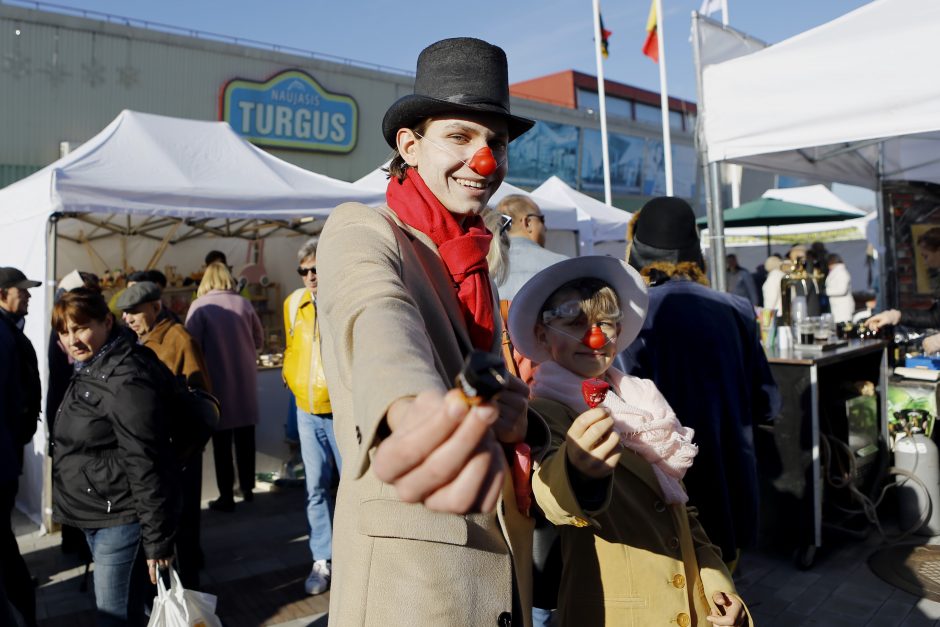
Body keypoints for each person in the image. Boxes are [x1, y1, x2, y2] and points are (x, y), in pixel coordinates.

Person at [316, 37, 543, 626]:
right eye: (460, 137)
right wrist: (416, 407)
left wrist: (523, 424)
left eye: (495, 142)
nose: (484, 159)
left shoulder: (478, 260)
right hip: (411, 584)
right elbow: (377, 315)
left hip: (497, 567)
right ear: (410, 146)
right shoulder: (362, 230)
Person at [508, 255, 750, 626]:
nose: (596, 337)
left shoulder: (639, 402)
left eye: (606, 323)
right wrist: (578, 470)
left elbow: (680, 512)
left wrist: (719, 586)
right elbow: (552, 496)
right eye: (576, 323)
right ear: (542, 335)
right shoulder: (546, 411)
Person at [620, 197, 780, 570]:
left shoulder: (628, 312)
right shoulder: (737, 308)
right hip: (728, 488)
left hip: (659, 494)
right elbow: (767, 403)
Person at [51, 289, 179, 625]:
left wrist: (157, 541)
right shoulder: (94, 365)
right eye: (64, 332)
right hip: (102, 513)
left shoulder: (124, 377)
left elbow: (146, 462)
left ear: (107, 322)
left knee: (115, 616)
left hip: (120, 518)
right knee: (126, 609)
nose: (72, 340)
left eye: (80, 328)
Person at [117, 281, 210, 589]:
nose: (128, 319)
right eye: (124, 313)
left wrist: (185, 451)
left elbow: (202, 400)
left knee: (184, 529)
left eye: (134, 312)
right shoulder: (137, 342)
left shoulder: (179, 338)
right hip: (158, 454)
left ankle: (191, 597)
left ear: (155, 307)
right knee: (169, 527)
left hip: (180, 454)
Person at [282, 238, 342, 596]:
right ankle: (323, 556)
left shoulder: (342, 299)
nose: (310, 276)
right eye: (303, 270)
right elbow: (291, 345)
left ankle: (352, 554)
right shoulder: (294, 303)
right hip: (306, 408)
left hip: (338, 410)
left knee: (351, 486)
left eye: (315, 268)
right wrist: (290, 376)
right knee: (314, 487)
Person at [186, 262, 263, 512]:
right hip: (245, 381)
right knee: (245, 439)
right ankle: (248, 488)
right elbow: (259, 339)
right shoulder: (244, 303)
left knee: (222, 444)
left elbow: (191, 346)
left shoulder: (200, 307)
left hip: (216, 383)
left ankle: (226, 496)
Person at [0, 267, 40, 627]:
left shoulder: (9, 331)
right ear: (1, 294)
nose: (28, 296)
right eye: (21, 291)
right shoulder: (2, 334)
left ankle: (23, 611)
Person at [498, 195, 568, 301]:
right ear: (528, 222)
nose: (545, 227)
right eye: (542, 219)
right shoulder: (562, 265)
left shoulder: (487, 267)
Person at [825, 253, 854, 323]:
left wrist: (826, 291)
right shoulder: (836, 272)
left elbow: (842, 290)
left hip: (843, 307)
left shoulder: (842, 272)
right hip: (837, 306)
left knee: (843, 326)